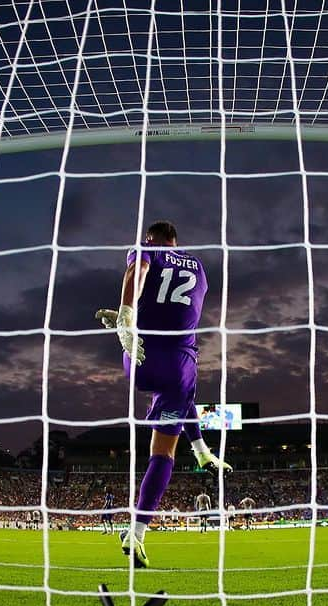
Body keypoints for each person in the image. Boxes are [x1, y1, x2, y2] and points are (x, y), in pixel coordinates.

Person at [95, 220, 231, 567]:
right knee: (164, 451)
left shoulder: (145, 251)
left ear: (149, 239)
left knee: (180, 380)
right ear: (176, 241)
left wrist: (126, 314)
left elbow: (136, 273)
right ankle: (139, 531)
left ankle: (200, 451)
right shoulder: (198, 266)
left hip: (139, 355)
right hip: (178, 367)